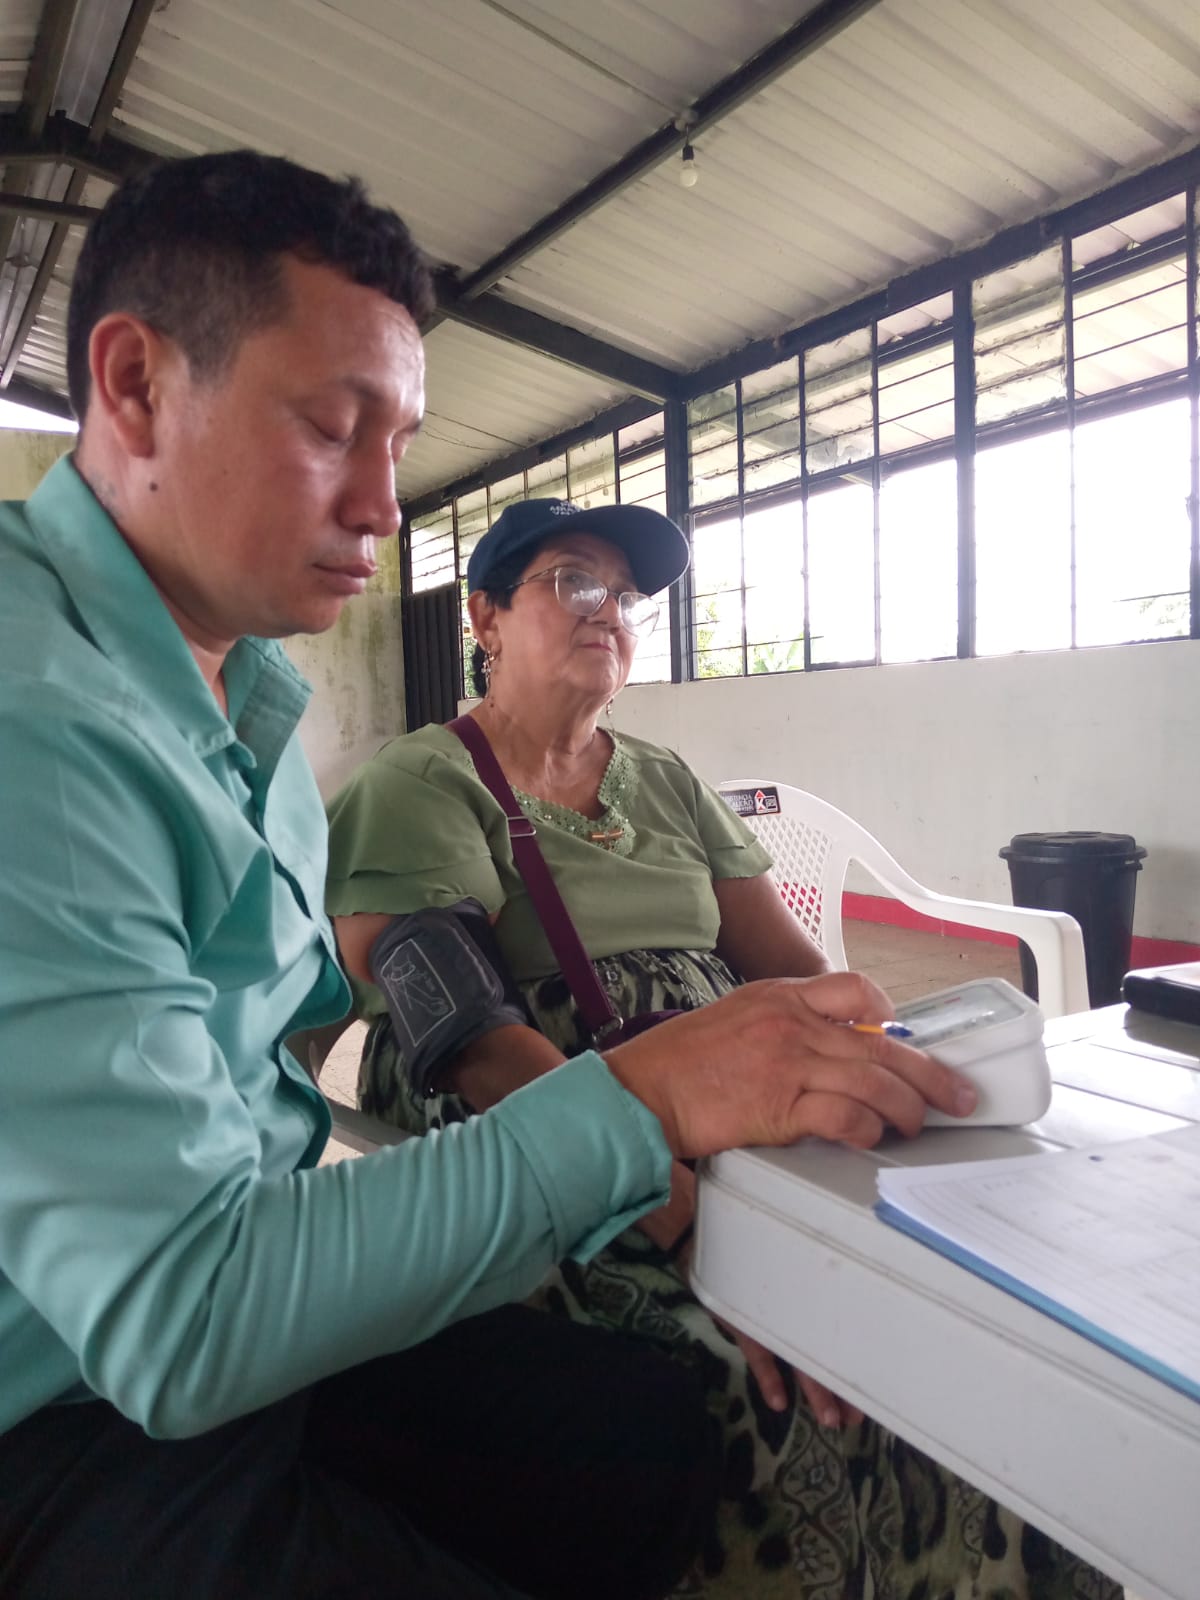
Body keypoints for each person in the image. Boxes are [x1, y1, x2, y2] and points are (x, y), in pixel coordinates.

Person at [0, 150, 985, 1600]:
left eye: (400, 444)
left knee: (638, 1447)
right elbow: (432, 1040)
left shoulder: (257, 707)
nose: (383, 505)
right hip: (70, 1399)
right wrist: (653, 1121)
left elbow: (787, 978)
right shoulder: (56, 723)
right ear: (137, 386)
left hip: (281, 1281)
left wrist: (787, 1168)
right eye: (333, 428)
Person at [324, 501, 1122, 1600]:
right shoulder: (422, 782)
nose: (610, 611)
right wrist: (687, 1208)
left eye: (627, 595)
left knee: (986, 1320)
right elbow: (468, 1042)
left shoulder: (665, 780)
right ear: (486, 617)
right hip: (551, 1135)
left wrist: (893, 1090)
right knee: (773, 1383)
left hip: (742, 1109)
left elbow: (795, 974)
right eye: (573, 580)